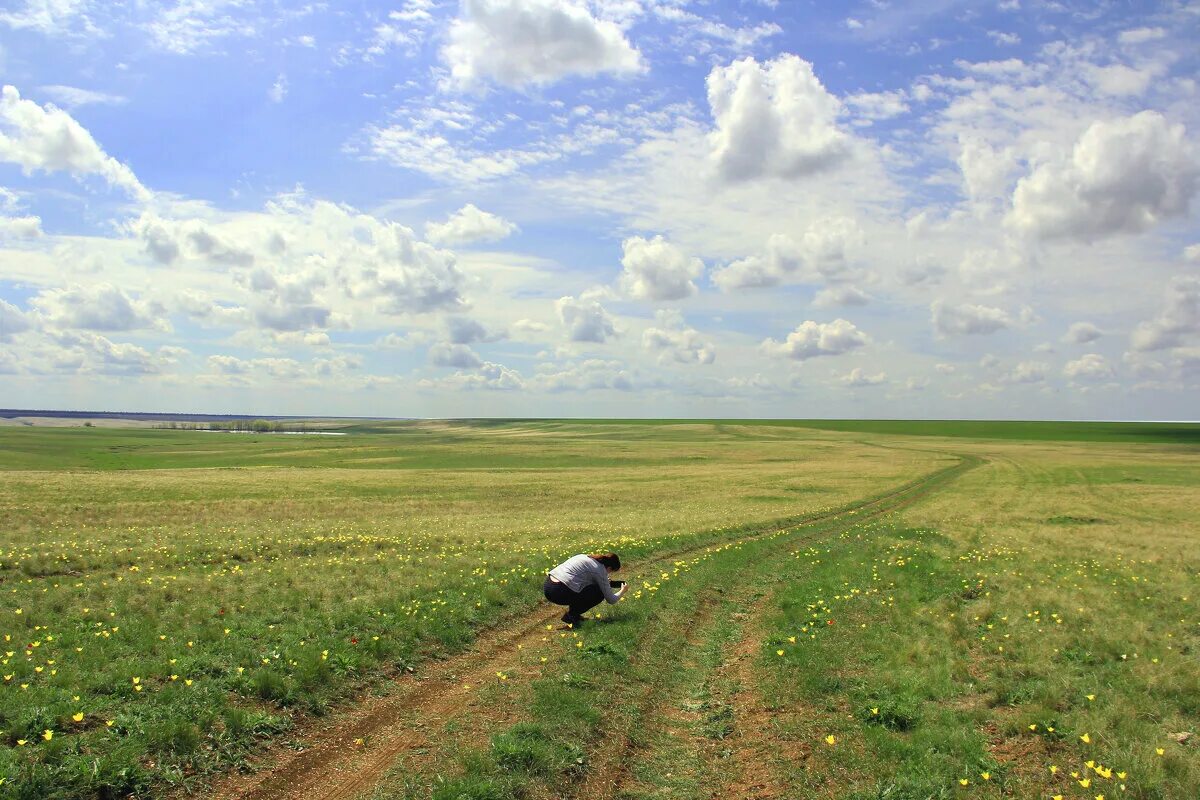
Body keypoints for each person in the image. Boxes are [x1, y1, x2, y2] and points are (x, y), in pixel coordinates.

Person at [544, 551, 627, 627]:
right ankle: (572, 616)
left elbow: (579, 577)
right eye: (610, 572)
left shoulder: (585, 556)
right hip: (559, 591)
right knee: (599, 592)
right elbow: (611, 600)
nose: (608, 574)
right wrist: (623, 590)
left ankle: (574, 616)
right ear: (609, 568)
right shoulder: (600, 570)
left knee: (590, 588)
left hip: (548, 585)